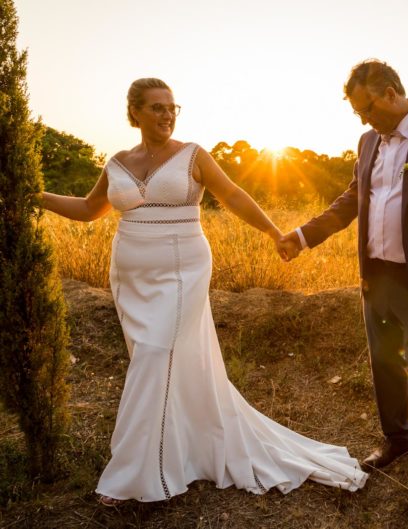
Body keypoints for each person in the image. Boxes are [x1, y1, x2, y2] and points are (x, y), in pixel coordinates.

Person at [42, 78, 367, 505]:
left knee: (156, 356)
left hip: (183, 271)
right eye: (157, 107)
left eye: (172, 107)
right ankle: (179, 450)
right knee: (151, 360)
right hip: (130, 275)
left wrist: (275, 233)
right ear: (134, 112)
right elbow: (88, 210)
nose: (167, 114)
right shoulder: (117, 162)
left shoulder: (192, 155)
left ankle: (134, 477)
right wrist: (35, 194)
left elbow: (231, 194)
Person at [277, 59, 408, 520]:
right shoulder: (367, 140)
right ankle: (396, 438)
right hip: (376, 276)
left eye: (367, 107)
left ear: (392, 91)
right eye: (358, 111)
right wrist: (302, 236)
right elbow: (353, 199)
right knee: (384, 365)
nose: (362, 118)